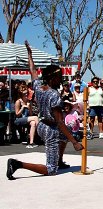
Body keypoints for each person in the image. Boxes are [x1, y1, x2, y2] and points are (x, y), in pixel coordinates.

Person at [6, 41, 83, 180]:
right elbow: (60, 122)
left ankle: (59, 160)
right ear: (53, 78)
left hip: (42, 124)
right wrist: (75, 142)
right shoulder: (54, 94)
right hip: (50, 130)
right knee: (51, 169)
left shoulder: (38, 86)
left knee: (66, 135)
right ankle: (17, 164)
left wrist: (29, 54)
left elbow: (33, 71)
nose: (62, 80)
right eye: (60, 77)